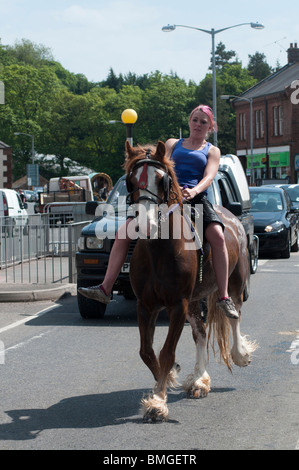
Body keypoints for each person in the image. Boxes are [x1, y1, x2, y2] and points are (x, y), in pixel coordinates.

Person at [78, 104, 239, 320]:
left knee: (218, 237)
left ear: (210, 127)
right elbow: (159, 163)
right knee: (122, 233)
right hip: (165, 198)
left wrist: (194, 190)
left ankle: (224, 297)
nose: (198, 124)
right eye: (195, 119)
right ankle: (105, 288)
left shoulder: (212, 150)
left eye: (204, 121)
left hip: (195, 199)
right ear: (189, 122)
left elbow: (209, 176)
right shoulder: (173, 143)